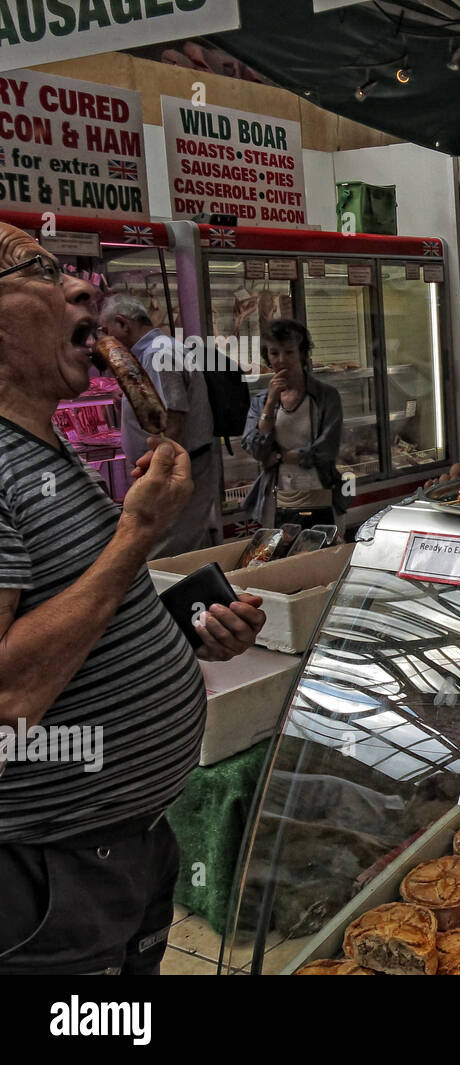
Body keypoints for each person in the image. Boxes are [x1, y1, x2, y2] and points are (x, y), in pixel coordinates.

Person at [0, 221, 266, 975]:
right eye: (41, 273)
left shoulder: (43, 450)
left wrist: (186, 626)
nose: (83, 286)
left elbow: (75, 618)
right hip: (51, 873)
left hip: (134, 839)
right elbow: (8, 693)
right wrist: (136, 534)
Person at [98, 294, 220, 558]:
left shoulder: (158, 353)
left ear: (123, 324)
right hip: (173, 464)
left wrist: (157, 469)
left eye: (106, 331)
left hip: (175, 466)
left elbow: (172, 419)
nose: (102, 340)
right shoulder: (154, 352)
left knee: (171, 545)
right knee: (176, 539)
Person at [241, 319, 348, 529]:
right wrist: (271, 403)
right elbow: (255, 448)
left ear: (302, 353)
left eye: (289, 352)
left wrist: (280, 456)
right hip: (277, 494)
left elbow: (327, 449)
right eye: (274, 353)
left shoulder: (325, 396)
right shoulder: (262, 400)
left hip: (318, 490)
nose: (281, 360)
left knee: (320, 552)